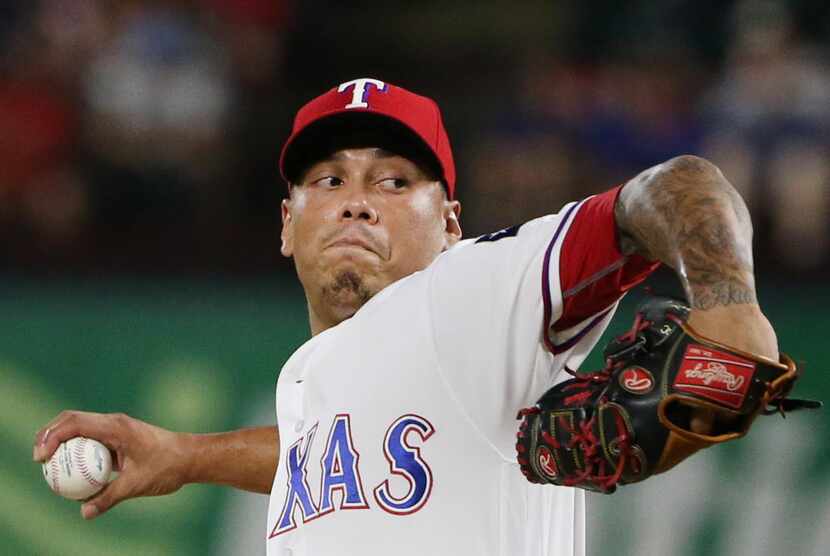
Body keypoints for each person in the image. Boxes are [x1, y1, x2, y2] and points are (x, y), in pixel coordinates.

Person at [33, 78, 778, 555]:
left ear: (451, 222)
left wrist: (731, 313)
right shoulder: (309, 377)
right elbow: (328, 449)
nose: (357, 198)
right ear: (287, 223)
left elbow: (681, 188)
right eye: (329, 179)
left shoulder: (475, 289)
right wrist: (187, 456)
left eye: (395, 180)